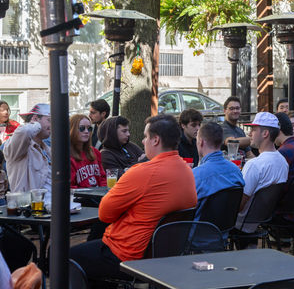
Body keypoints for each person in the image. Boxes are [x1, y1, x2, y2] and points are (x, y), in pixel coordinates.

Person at [70, 114, 198, 282]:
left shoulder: (143, 172)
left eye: (145, 137)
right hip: (163, 254)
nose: (143, 141)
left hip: (127, 253)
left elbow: (105, 214)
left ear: (156, 140)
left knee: (65, 258)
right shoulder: (186, 170)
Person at [234, 112, 288, 237]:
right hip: (261, 220)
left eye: (253, 130)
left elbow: (239, 205)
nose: (249, 134)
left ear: (265, 133)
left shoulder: (254, 164)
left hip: (240, 224)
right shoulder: (283, 162)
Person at [192, 121, 244, 220]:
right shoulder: (236, 171)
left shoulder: (197, 175)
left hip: (198, 231)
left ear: (201, 142)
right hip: (225, 231)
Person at [4, 104, 51, 195]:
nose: (52, 125)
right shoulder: (18, 148)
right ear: (35, 119)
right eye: (49, 120)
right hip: (29, 207)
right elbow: (24, 132)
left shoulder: (47, 149)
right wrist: (35, 124)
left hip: (50, 206)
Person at [69, 114, 106, 188]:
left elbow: (103, 179)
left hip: (98, 196)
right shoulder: (67, 156)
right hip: (79, 198)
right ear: (72, 129)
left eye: (89, 128)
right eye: (82, 128)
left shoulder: (95, 152)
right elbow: (70, 187)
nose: (86, 131)